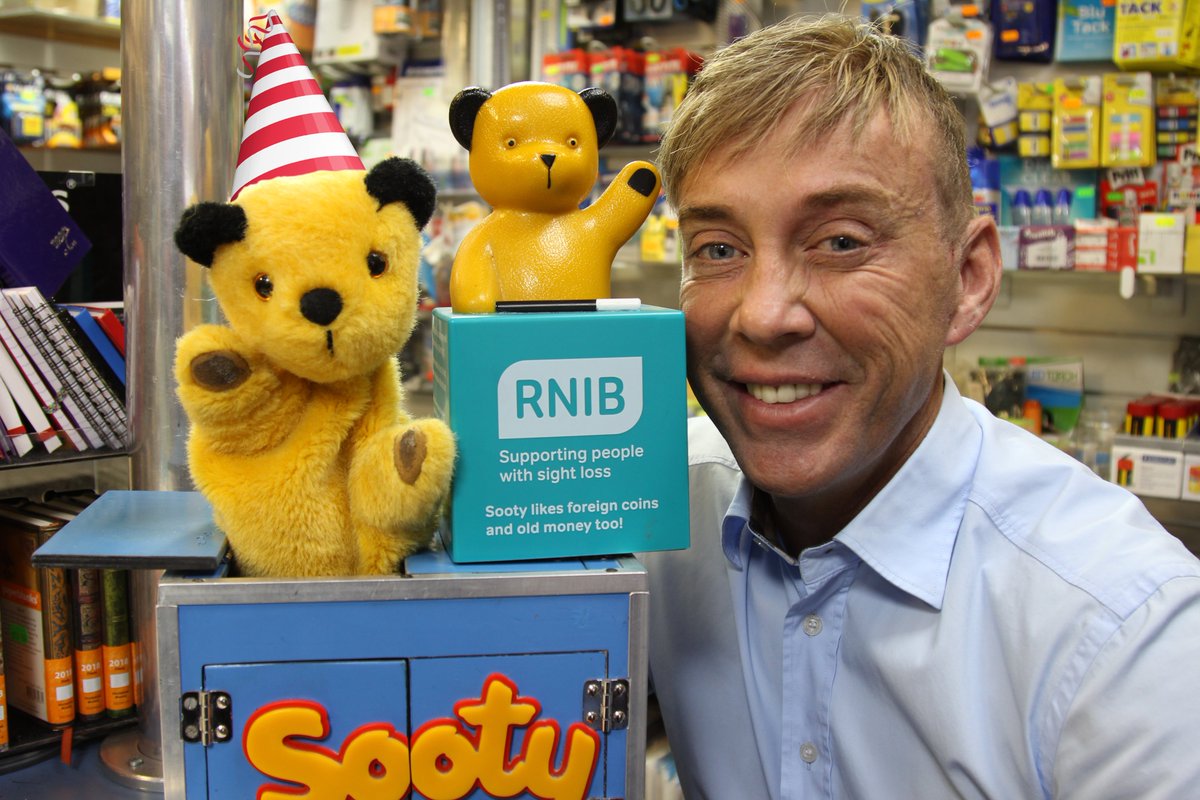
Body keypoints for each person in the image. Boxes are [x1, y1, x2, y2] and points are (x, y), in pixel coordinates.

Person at [640, 13, 1200, 799]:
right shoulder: (646, 514)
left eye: (841, 242)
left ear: (968, 280)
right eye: (719, 249)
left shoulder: (1124, 634)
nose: (763, 315)